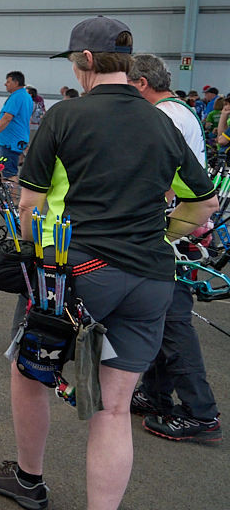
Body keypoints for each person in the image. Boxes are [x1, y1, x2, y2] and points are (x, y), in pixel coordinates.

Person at [0, 18, 217, 510]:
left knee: (30, 373)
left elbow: (29, 204)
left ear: (87, 60)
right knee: (113, 408)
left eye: (73, 60)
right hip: (149, 278)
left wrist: (31, 252)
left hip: (75, 273)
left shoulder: (66, 116)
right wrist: (162, 235)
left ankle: (29, 480)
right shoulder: (163, 121)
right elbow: (204, 205)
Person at [126, 53, 221, 441]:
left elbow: (162, 181)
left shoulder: (164, 117)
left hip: (175, 228)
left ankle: (201, 412)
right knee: (163, 315)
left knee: (173, 318)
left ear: (142, 84)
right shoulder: (179, 111)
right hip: (183, 226)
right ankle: (155, 393)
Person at [0, 70, 34, 183]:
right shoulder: (25, 96)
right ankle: (3, 193)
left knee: (9, 174)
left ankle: (11, 195)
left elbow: (7, 118)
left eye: (8, 81)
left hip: (11, 142)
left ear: (16, 83)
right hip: (8, 141)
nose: (5, 84)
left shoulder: (17, 97)